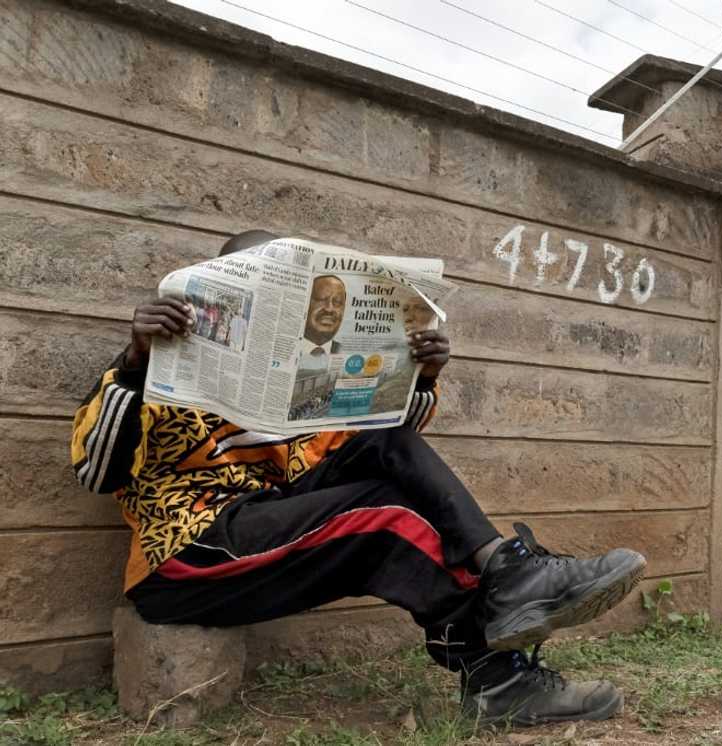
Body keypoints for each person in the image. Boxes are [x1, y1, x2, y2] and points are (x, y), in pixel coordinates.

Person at [71, 230, 646, 727]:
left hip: (271, 520)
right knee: (384, 519)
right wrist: (135, 362)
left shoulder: (297, 377)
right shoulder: (150, 366)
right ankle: (498, 674)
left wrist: (418, 377)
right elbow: (97, 473)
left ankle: (508, 570)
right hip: (186, 553)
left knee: (386, 448)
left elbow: (381, 448)